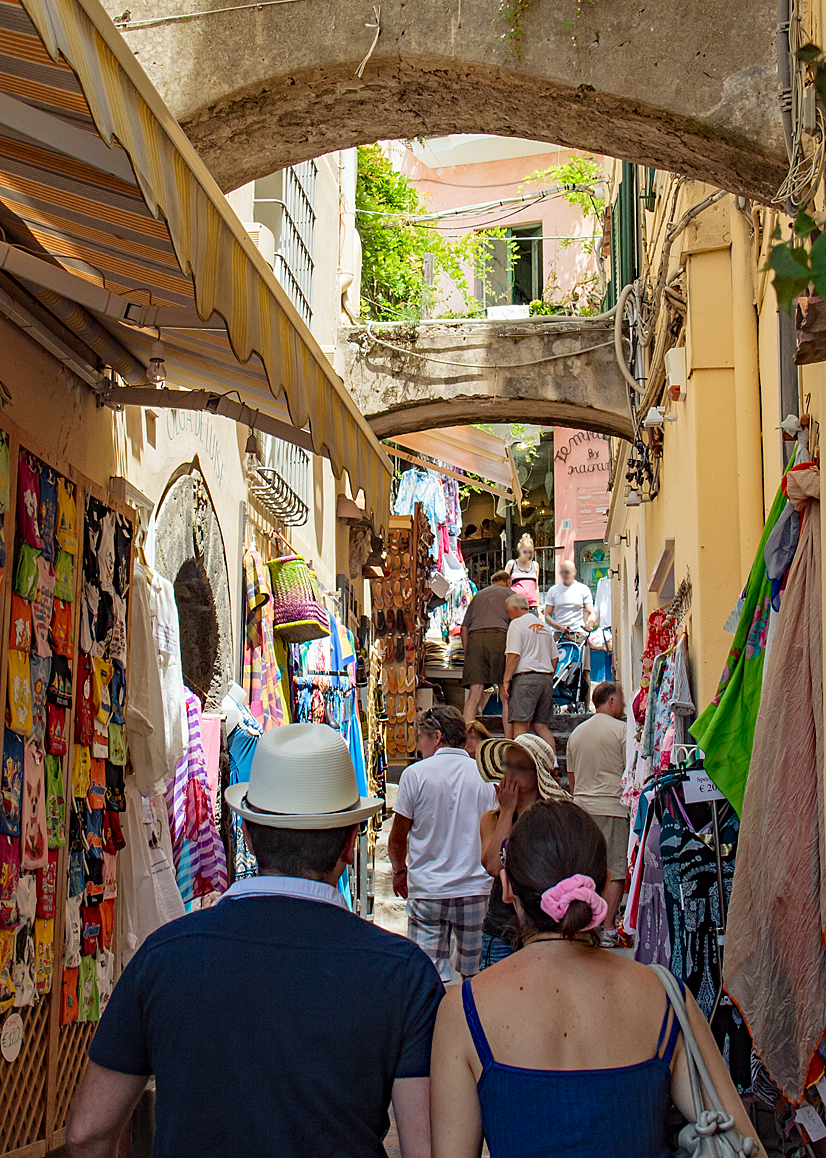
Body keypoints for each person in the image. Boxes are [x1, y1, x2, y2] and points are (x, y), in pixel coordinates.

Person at [67, 723, 443, 1158]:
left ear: (246, 832)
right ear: (349, 845)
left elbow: (87, 1133)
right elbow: (427, 1148)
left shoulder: (164, 956)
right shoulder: (403, 974)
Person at [430, 799, 767, 1158]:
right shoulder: (665, 997)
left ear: (507, 886)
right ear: (605, 885)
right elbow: (745, 1145)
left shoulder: (462, 1011)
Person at [389, 706, 496, 982]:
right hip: (475, 889)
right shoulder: (485, 777)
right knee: (473, 976)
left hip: (428, 889)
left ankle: (435, 1022)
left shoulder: (415, 775)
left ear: (437, 737)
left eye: (421, 738)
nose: (418, 745)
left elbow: (398, 836)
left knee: (429, 975)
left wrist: (400, 871)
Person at [476, 734, 564, 968]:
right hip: (502, 929)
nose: (511, 772)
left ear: (538, 775)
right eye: (508, 764)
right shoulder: (492, 819)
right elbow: (494, 866)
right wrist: (507, 811)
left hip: (547, 928)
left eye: (520, 766)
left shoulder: (555, 818)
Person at [566, 681, 629, 943]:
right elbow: (630, 773)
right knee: (615, 868)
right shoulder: (622, 730)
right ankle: (609, 927)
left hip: (582, 808)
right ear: (611, 701)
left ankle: (586, 925)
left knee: (587, 868)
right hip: (612, 806)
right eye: (621, 700)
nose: (624, 705)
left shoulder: (576, 734)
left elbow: (571, 779)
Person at [502, 593, 559, 751]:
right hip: (546, 679)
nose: (508, 615)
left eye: (508, 611)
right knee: (541, 725)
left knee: (520, 728)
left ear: (514, 609)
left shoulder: (517, 624)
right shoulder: (544, 627)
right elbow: (555, 658)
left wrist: (506, 680)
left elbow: (514, 655)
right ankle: (552, 765)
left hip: (525, 680)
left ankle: (520, 768)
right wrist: (547, 675)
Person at [461, 570, 512, 739]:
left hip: (475, 640)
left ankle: (466, 739)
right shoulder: (511, 594)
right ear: (508, 582)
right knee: (505, 694)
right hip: (500, 637)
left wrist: (469, 653)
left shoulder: (478, 596)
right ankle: (508, 739)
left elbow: (463, 628)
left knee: (474, 694)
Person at [544, 559, 596, 639]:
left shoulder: (583, 589)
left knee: (582, 651)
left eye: (567, 572)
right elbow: (547, 616)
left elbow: (591, 612)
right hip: (560, 635)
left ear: (574, 572)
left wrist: (590, 624)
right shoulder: (553, 590)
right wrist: (559, 627)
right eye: (562, 572)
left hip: (579, 634)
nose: (564, 575)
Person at [505, 535, 540, 612]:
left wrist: (538, 607)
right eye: (525, 552)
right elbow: (504, 585)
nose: (527, 555)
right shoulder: (512, 564)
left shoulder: (535, 565)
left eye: (530, 552)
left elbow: (536, 588)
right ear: (519, 550)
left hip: (532, 606)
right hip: (516, 605)